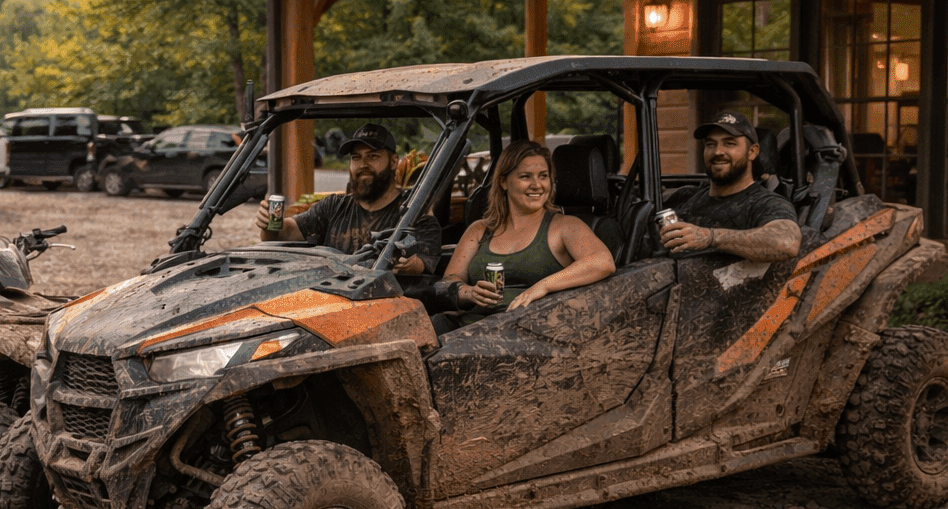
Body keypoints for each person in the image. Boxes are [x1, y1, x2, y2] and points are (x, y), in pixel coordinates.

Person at [439, 140, 616, 326]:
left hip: (528, 331)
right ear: (503, 181)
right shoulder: (480, 230)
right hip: (468, 328)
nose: (537, 185)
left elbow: (603, 262)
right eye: (526, 177)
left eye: (543, 176)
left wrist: (542, 286)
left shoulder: (566, 226)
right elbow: (448, 282)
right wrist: (468, 292)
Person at [253, 123, 441, 275]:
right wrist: (268, 225)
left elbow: (422, 264)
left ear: (393, 162)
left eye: (373, 156)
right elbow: (283, 235)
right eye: (356, 158)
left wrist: (409, 263)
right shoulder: (333, 206)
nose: (363, 165)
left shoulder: (414, 214)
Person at [658, 111, 801, 261]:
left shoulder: (765, 203)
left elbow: (787, 243)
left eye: (729, 143)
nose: (718, 151)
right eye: (710, 144)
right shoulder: (686, 196)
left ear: (752, 152)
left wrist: (710, 237)